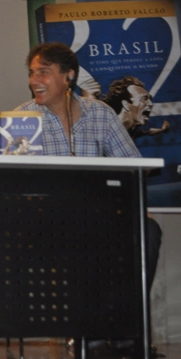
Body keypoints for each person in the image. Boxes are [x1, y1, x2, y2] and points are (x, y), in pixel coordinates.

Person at [17, 42, 163, 358]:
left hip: (101, 214)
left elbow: (132, 166)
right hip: (50, 220)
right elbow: (15, 186)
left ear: (68, 76)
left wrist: (138, 208)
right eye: (31, 73)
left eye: (43, 72)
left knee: (148, 232)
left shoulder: (100, 114)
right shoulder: (23, 119)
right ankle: (91, 333)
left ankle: (126, 331)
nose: (34, 80)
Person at [103, 76, 170, 139]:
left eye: (149, 99)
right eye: (144, 99)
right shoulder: (110, 131)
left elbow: (146, 132)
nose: (150, 104)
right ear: (126, 104)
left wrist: (162, 130)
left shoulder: (130, 128)